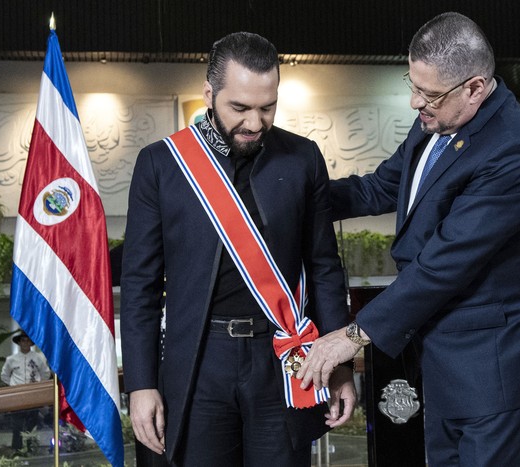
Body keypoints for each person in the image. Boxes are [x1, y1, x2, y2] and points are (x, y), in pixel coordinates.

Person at [297, 11, 520, 467]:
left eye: (429, 94)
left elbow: (444, 264)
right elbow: (377, 188)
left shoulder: (512, 150)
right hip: (443, 371)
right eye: (413, 86)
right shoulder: (439, 123)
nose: (415, 103)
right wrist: (296, 198)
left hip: (496, 381)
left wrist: (354, 335)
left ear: (475, 87)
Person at [120, 32, 355, 466]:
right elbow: (140, 285)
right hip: (199, 359)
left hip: (283, 358)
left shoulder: (303, 158)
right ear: (208, 93)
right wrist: (140, 383)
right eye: (240, 108)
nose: (254, 122)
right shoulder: (161, 164)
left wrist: (339, 364)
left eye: (268, 107)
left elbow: (324, 267)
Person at [1, 331, 51, 451]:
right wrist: (14, 386)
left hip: (32, 395)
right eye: (23, 340)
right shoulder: (11, 359)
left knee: (32, 424)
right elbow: (4, 375)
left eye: (27, 340)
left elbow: (46, 373)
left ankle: (30, 448)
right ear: (19, 342)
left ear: (30, 343)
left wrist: (38, 386)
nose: (25, 343)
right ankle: (17, 450)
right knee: (17, 425)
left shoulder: (38, 358)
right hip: (17, 396)